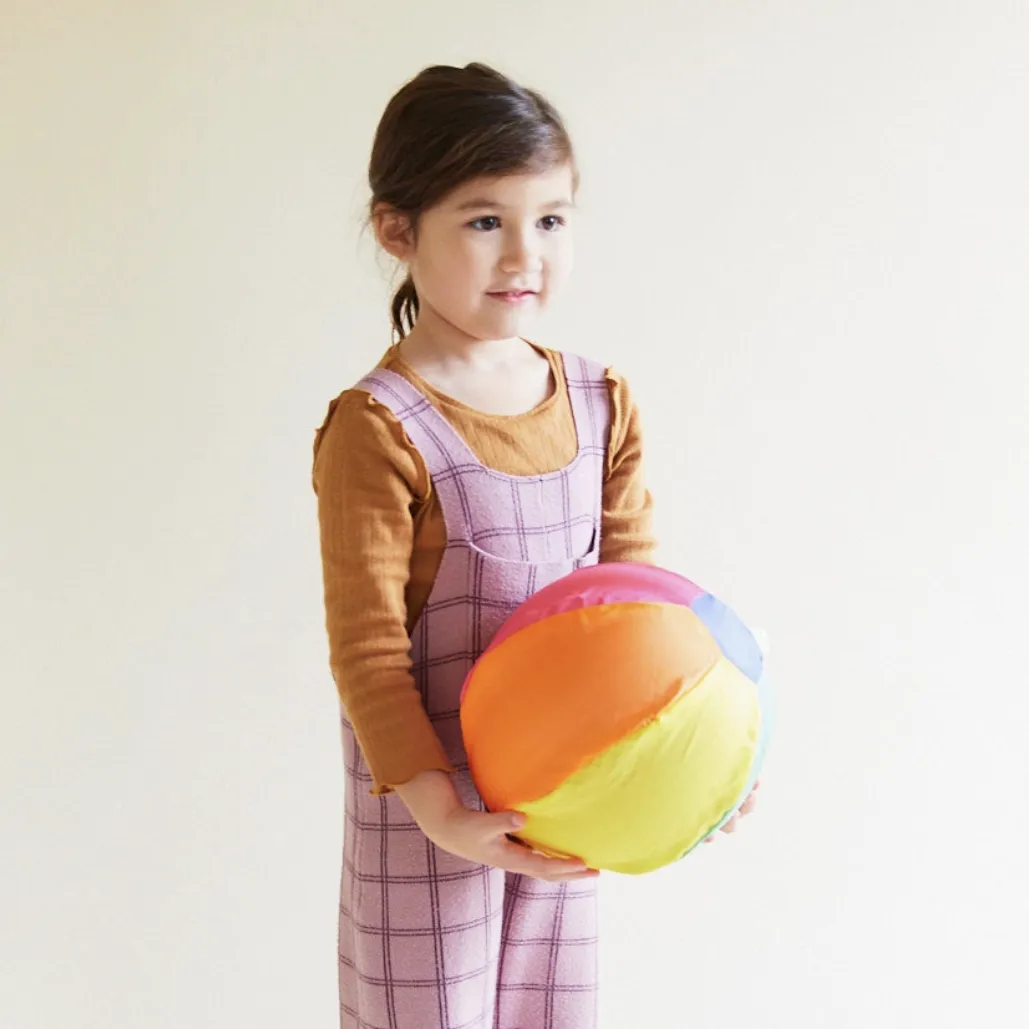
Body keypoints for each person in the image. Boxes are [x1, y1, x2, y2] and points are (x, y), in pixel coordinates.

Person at [313, 61, 755, 1029]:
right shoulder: (379, 430)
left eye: (551, 220)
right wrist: (442, 812)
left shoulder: (602, 404)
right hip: (426, 834)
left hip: (565, 815)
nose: (525, 253)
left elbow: (650, 620)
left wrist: (703, 767)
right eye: (485, 221)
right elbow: (369, 652)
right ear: (398, 230)